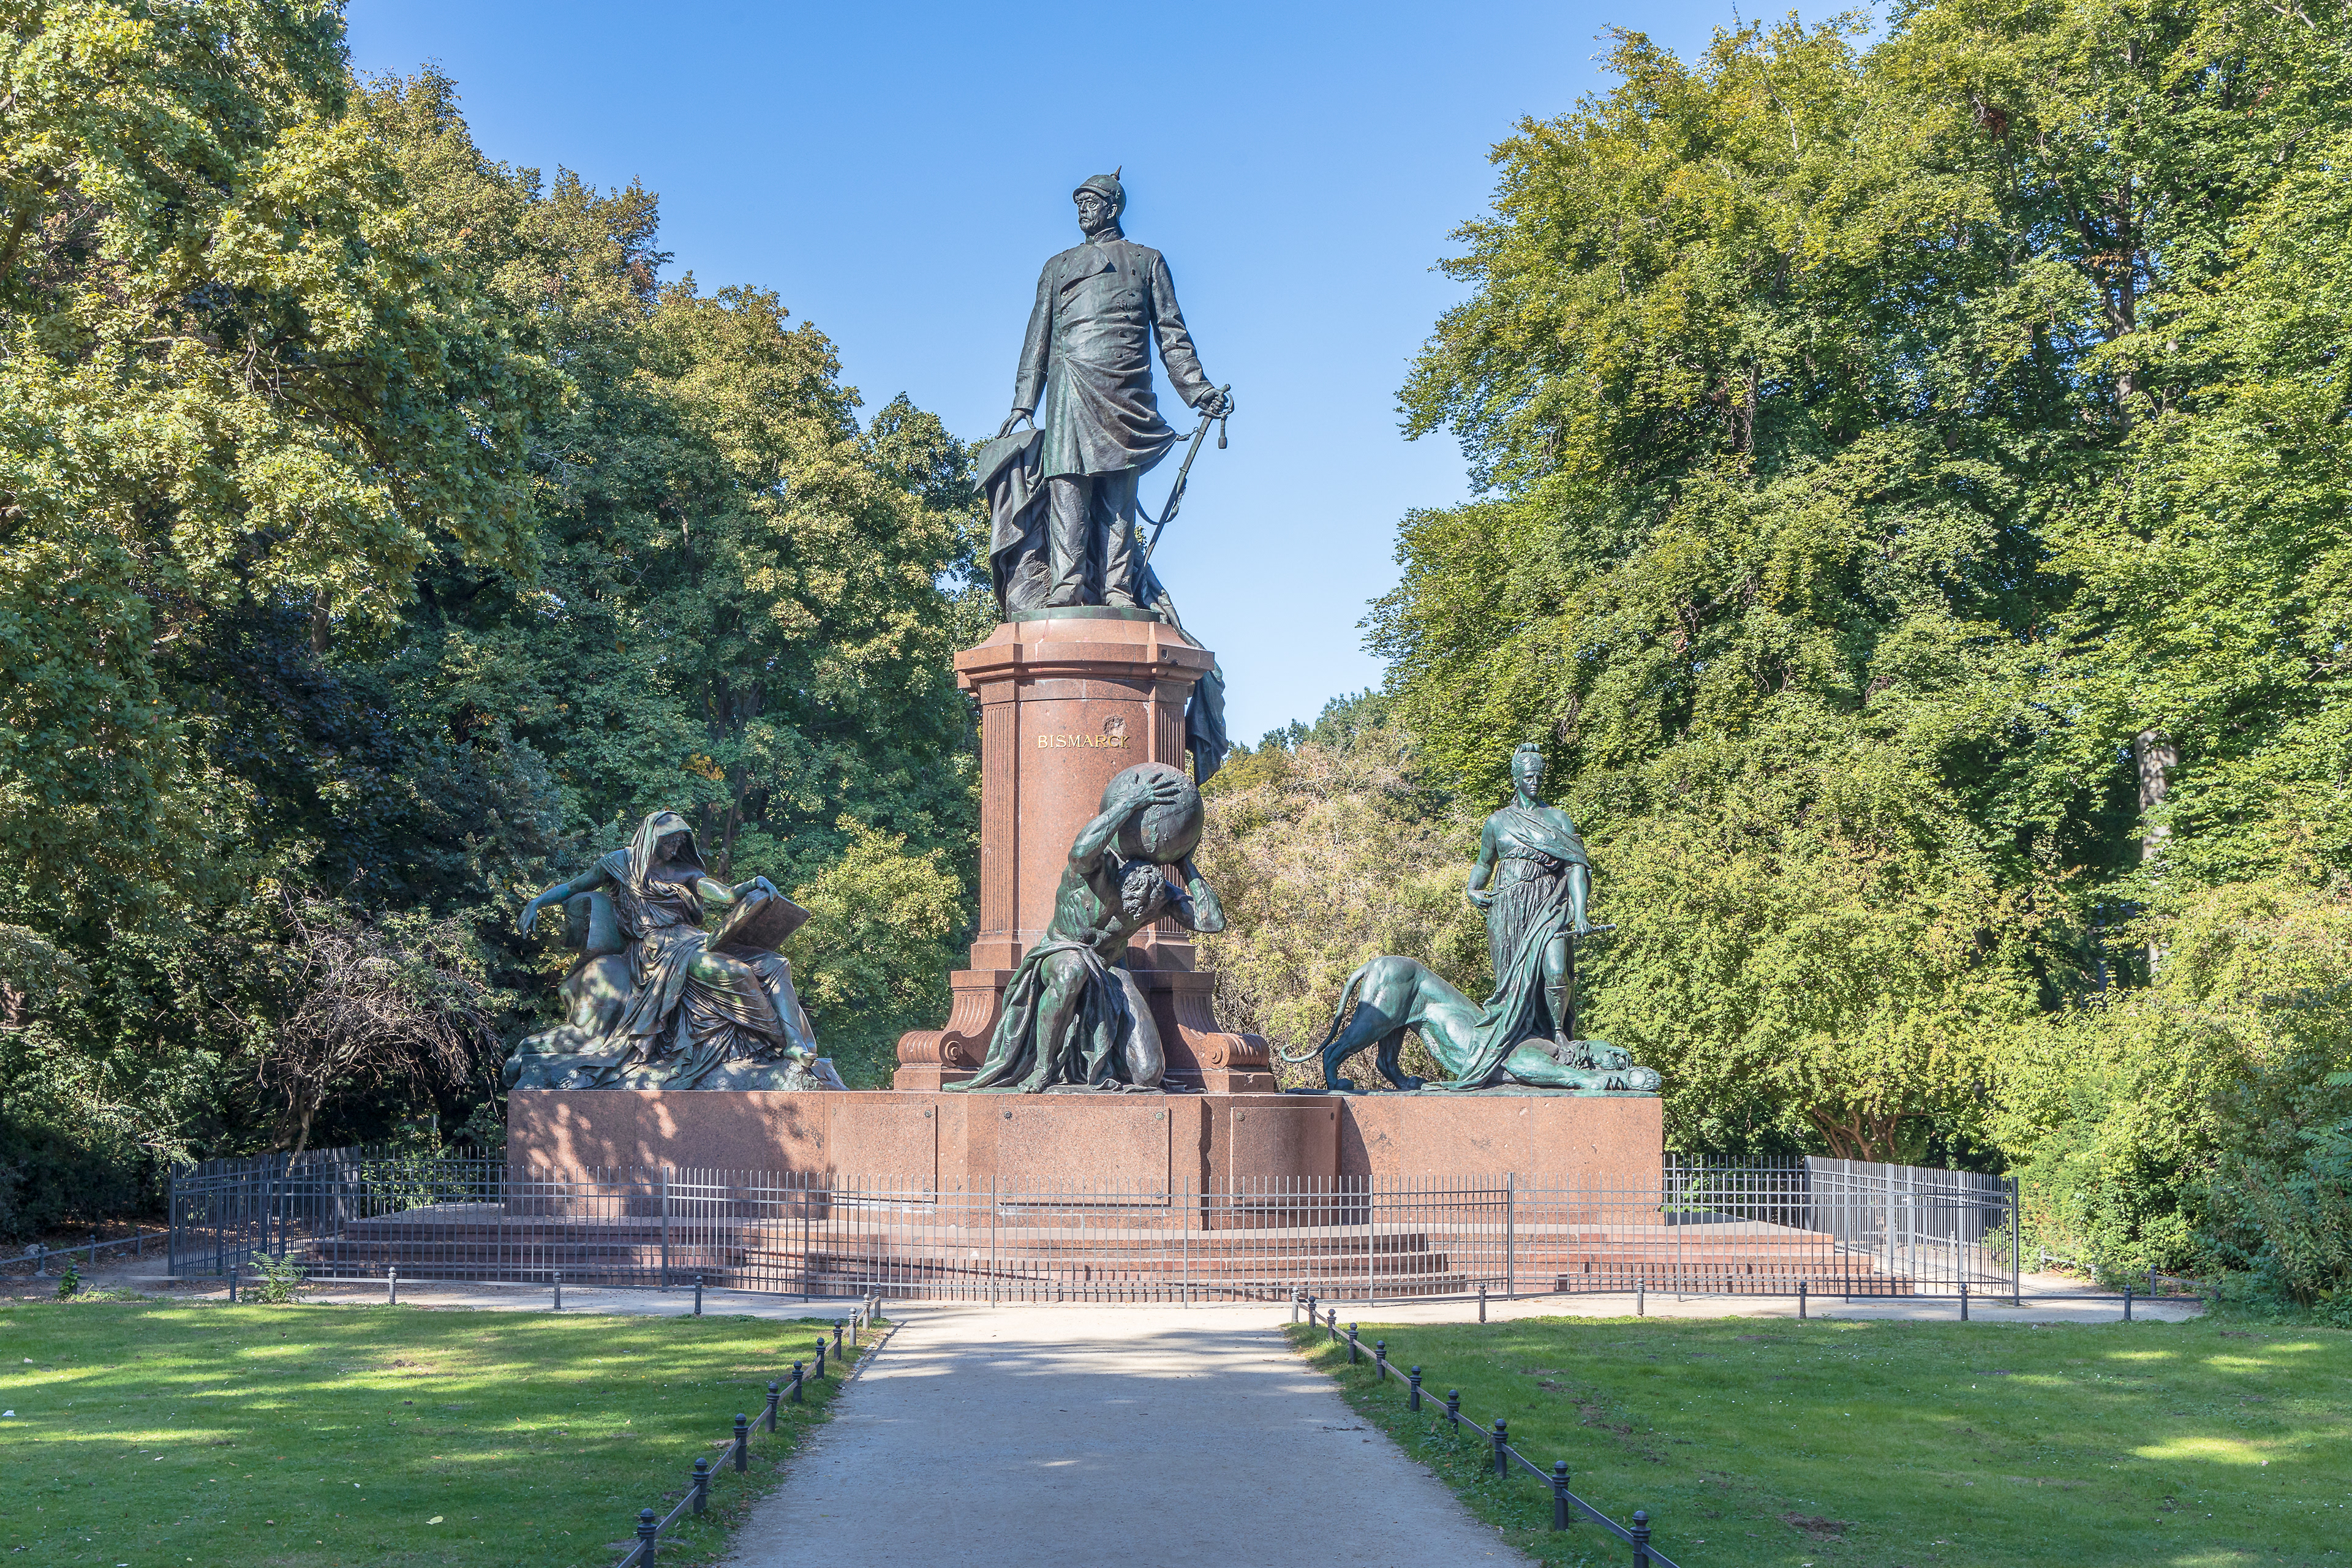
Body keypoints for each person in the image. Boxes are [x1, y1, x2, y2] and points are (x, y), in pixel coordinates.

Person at [998, 170, 1234, 608]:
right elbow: (1038, 339)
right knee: (1067, 487)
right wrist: (1023, 403)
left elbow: (1172, 335)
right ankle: (1066, 586)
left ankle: (1118, 588)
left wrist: (1199, 391)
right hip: (1070, 388)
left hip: (1124, 392)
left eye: (1090, 202)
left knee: (1118, 498)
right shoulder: (1057, 266)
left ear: (1113, 207)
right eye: (1078, 204)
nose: (1082, 211)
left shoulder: (1146, 260)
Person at [947, 767, 1224, 1092]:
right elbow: (1080, 850)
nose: (1136, 913)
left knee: (1149, 1073)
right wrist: (1129, 805)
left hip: (1110, 970)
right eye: (1131, 902)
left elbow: (1210, 923)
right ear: (1117, 882)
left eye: (1143, 910)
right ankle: (1042, 1068)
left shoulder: (1155, 895)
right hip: (1060, 951)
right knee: (1072, 970)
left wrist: (1185, 864)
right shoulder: (1092, 871)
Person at [516, 811, 821, 1088]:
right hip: (657, 950)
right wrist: (536, 902)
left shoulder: (685, 871)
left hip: (693, 939)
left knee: (775, 963)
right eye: (670, 842)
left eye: (679, 842)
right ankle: (776, 1039)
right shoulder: (620, 863)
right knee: (735, 973)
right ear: (653, 839)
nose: (675, 849)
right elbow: (575, 887)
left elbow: (723, 893)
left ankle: (795, 1043)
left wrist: (750, 885)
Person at [1465, 743, 1592, 1051]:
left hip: (1551, 906)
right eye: (1528, 777)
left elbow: (1576, 866)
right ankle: (1514, 1038)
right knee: (1512, 981)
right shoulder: (1498, 822)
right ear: (1516, 779)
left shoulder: (1558, 819)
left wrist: (1581, 911)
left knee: (1556, 969)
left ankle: (1559, 1031)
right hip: (1509, 911)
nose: (1534, 782)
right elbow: (1484, 863)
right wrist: (1473, 889)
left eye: (1539, 776)